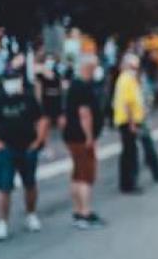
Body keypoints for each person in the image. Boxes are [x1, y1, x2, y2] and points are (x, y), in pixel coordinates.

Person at [0, 72, 48, 241]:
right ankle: (2, 223)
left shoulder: (28, 99)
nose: (13, 84)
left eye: (15, 80)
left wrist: (38, 142)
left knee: (30, 183)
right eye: (9, 80)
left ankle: (31, 215)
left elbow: (41, 120)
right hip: (6, 149)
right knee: (4, 187)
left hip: (27, 147)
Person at [62, 56, 105, 230]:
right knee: (85, 175)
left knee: (76, 173)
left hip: (71, 135)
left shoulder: (74, 85)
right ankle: (85, 213)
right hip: (81, 137)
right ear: (88, 68)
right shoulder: (84, 88)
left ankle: (77, 210)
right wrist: (89, 137)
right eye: (94, 68)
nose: (95, 71)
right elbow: (84, 114)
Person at [113, 53, 146, 193]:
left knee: (129, 152)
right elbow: (127, 103)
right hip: (128, 122)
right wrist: (132, 122)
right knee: (130, 154)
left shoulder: (128, 79)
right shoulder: (127, 79)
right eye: (133, 66)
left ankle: (128, 183)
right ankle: (129, 184)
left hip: (128, 121)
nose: (135, 69)